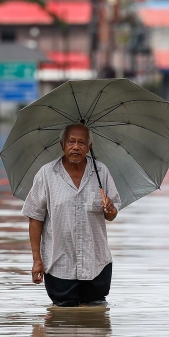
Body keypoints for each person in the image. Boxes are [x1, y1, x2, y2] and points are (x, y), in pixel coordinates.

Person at [22, 123, 120, 307]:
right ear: (62, 145)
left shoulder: (101, 172)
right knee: (62, 319)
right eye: (71, 142)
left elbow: (112, 215)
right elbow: (35, 217)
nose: (76, 147)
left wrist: (111, 209)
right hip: (59, 265)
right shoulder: (46, 174)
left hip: (96, 265)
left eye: (82, 143)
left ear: (89, 147)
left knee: (96, 317)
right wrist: (37, 261)